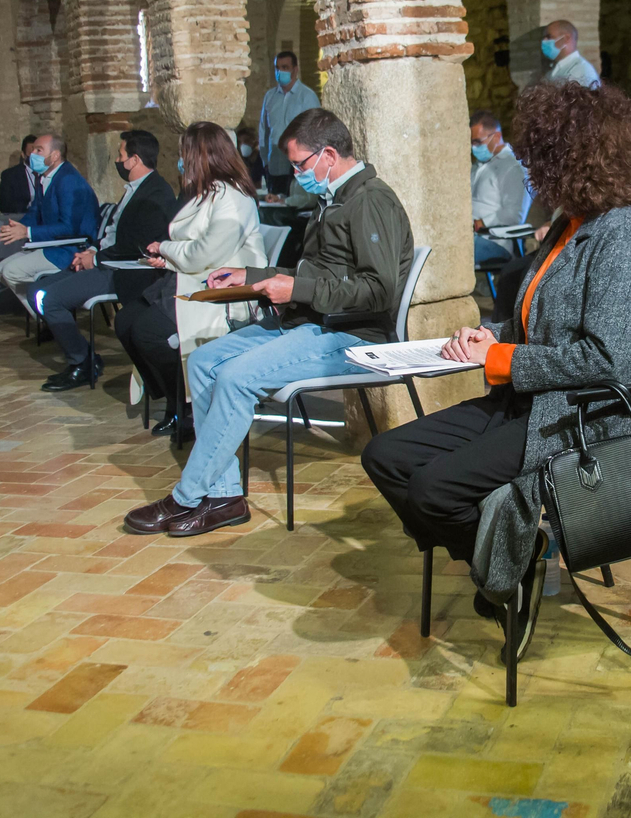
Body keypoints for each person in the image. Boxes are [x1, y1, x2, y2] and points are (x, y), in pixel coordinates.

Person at [361, 81, 631, 661]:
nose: (527, 172)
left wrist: (498, 358)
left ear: (571, 160)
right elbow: (541, 323)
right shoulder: (570, 224)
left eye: (536, 161)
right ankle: (513, 555)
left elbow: (617, 363)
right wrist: (493, 336)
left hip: (587, 418)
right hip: (532, 400)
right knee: (385, 458)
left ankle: (510, 566)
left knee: (432, 489)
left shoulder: (622, 235)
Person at [122, 108, 413, 536]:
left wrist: (296, 291)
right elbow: (319, 275)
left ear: (328, 154)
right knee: (203, 363)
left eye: (300, 164)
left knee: (237, 377)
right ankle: (224, 497)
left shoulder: (370, 200)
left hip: (350, 335)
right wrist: (253, 277)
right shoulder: (332, 198)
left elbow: (378, 290)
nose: (296, 174)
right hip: (311, 323)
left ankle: (185, 497)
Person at [113, 122, 266, 437]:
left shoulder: (233, 198)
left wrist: (167, 249)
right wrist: (166, 255)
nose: (180, 161)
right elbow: (190, 245)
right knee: (126, 321)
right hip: (188, 278)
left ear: (201, 156)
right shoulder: (203, 192)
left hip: (224, 292)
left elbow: (205, 252)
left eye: (184, 154)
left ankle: (185, 407)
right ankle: (176, 399)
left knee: (148, 332)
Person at [33, 130, 177, 392]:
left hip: (126, 271)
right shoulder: (136, 189)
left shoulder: (156, 194)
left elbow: (137, 246)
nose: (117, 160)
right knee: (38, 289)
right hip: (107, 260)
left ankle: (82, 363)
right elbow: (112, 232)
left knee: (51, 298)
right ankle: (82, 356)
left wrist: (96, 259)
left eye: (120, 155)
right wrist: (90, 252)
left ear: (134, 159)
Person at [0, 133, 99, 298]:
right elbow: (36, 211)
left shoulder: (68, 180)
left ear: (55, 155)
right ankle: (46, 306)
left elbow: (69, 226)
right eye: (33, 149)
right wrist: (18, 227)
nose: (32, 154)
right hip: (52, 243)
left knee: (12, 272)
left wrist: (27, 232)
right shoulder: (44, 177)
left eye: (39, 150)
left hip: (70, 248)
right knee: (0, 270)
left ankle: (48, 310)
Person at [255, 51, 320, 196]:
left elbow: (315, 131)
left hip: (298, 167)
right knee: (275, 202)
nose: (280, 72)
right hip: (274, 164)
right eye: (277, 68)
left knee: (294, 204)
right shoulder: (270, 96)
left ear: (295, 69)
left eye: (285, 67)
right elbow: (264, 130)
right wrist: (265, 160)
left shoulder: (307, 96)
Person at [470, 111, 528, 264]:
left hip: (495, 241)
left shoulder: (512, 167)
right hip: (470, 237)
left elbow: (515, 215)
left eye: (477, 142)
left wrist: (482, 222)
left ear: (495, 137)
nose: (473, 147)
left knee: (452, 252)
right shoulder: (479, 165)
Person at [540, 20, 600, 89]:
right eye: (543, 38)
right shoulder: (555, 68)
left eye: (549, 37)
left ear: (566, 38)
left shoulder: (581, 71)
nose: (544, 41)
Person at [0, 134, 39, 214]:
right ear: (23, 155)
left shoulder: (48, 172)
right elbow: (4, 206)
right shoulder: (10, 176)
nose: (35, 159)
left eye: (37, 155)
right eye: (31, 155)